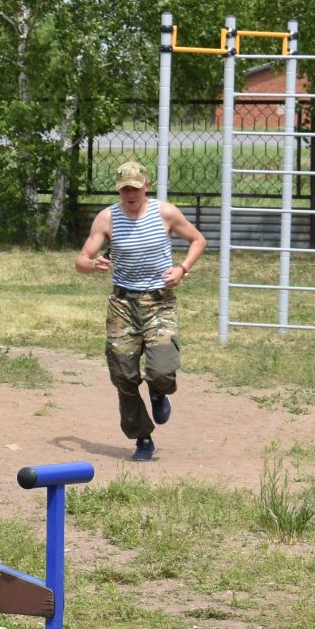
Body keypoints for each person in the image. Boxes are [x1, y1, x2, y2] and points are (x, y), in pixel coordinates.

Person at [73, 160, 206, 462]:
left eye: (135, 188)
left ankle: (159, 392)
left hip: (159, 302)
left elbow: (198, 240)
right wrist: (93, 264)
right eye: (125, 190)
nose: (130, 195)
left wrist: (182, 269)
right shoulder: (107, 218)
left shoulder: (165, 213)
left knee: (161, 370)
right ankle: (142, 437)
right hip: (123, 305)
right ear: (119, 190)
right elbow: (81, 260)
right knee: (124, 376)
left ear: (147, 185)